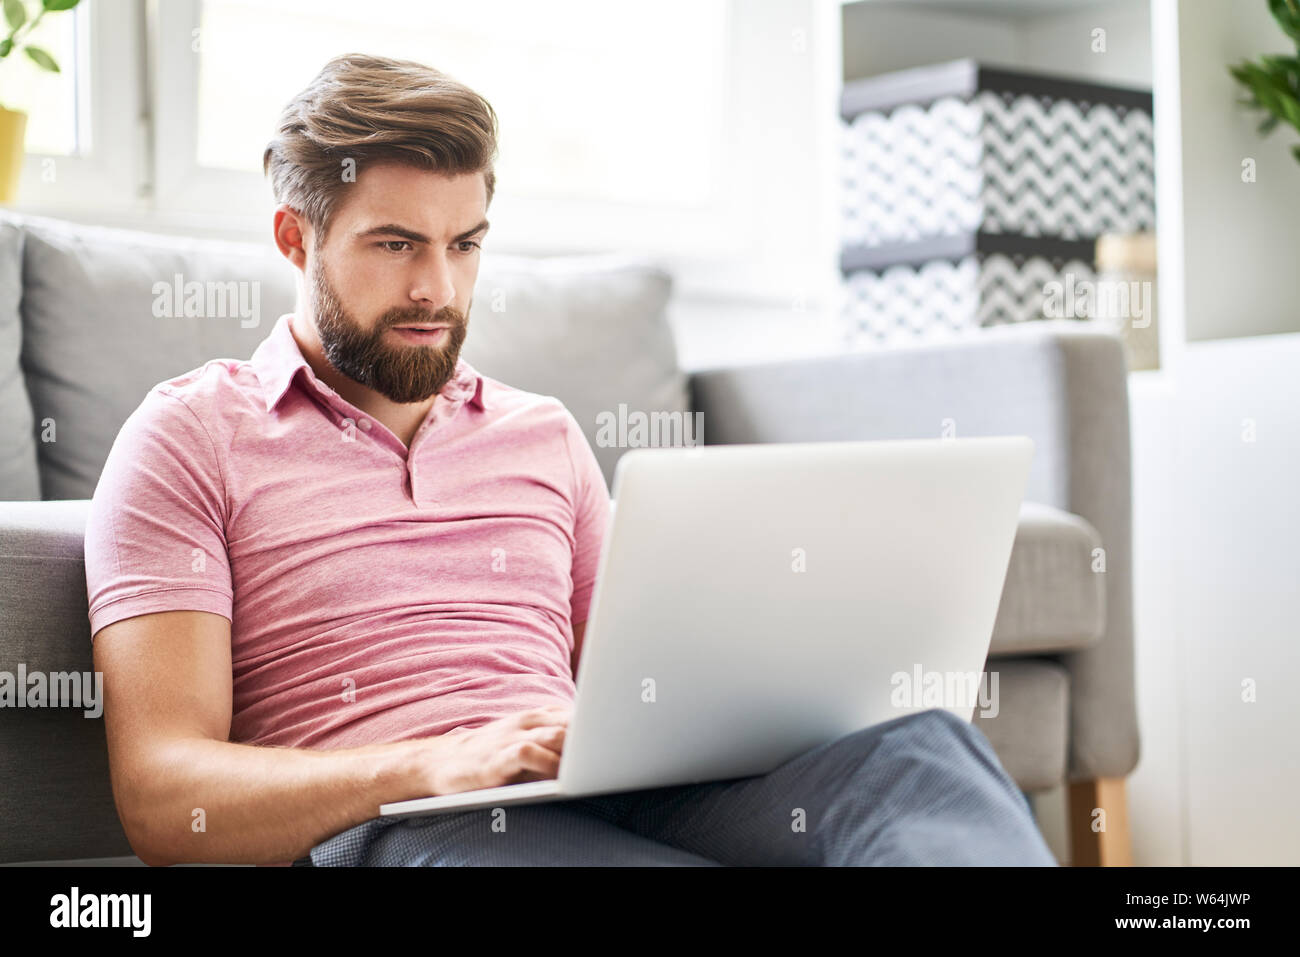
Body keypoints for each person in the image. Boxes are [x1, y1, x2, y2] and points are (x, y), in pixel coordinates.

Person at [85, 53, 1056, 868]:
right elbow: (166, 796)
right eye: (394, 244)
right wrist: (429, 764)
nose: (437, 286)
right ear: (295, 239)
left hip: (594, 781)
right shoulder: (190, 437)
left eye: (464, 244)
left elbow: (644, 682)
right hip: (409, 824)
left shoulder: (540, 433)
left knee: (922, 760)